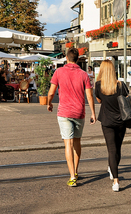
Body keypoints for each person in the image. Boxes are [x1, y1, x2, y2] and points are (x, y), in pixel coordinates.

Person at [47, 48, 96, 187]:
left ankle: (72, 176)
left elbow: (51, 92)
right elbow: (89, 96)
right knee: (77, 142)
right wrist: (93, 113)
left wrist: (49, 103)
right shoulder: (84, 74)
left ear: (66, 58)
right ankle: (75, 170)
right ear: (78, 59)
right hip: (79, 112)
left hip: (64, 112)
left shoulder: (59, 72)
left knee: (67, 143)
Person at [95, 60, 126, 192]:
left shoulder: (98, 85)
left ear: (102, 71)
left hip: (107, 121)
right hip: (121, 121)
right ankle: (112, 169)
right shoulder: (120, 85)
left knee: (111, 150)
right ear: (113, 70)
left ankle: (116, 181)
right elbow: (126, 99)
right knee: (117, 149)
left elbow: (99, 100)